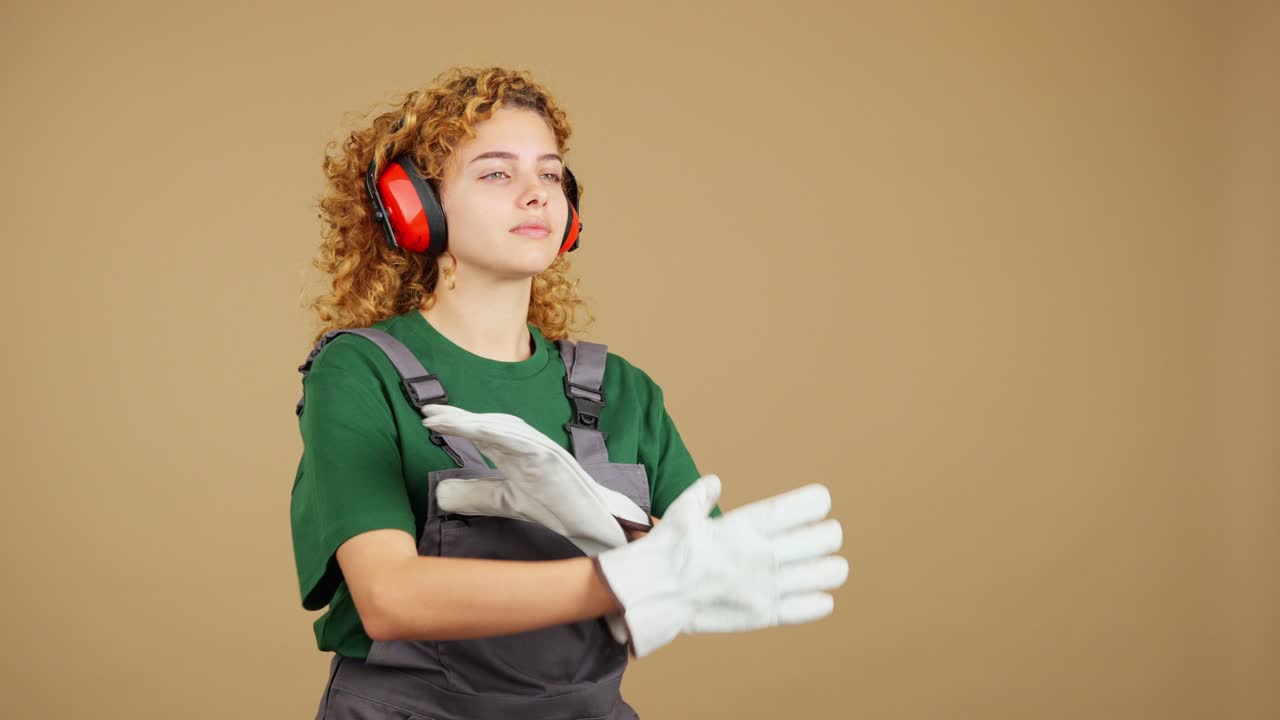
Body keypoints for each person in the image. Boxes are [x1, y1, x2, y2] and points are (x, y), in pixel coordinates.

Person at [290, 65, 847, 720]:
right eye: (497, 173)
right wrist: (619, 577)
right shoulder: (359, 372)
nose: (536, 195)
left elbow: (698, 567)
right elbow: (389, 596)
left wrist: (653, 548)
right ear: (416, 207)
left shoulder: (621, 390)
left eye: (550, 174)